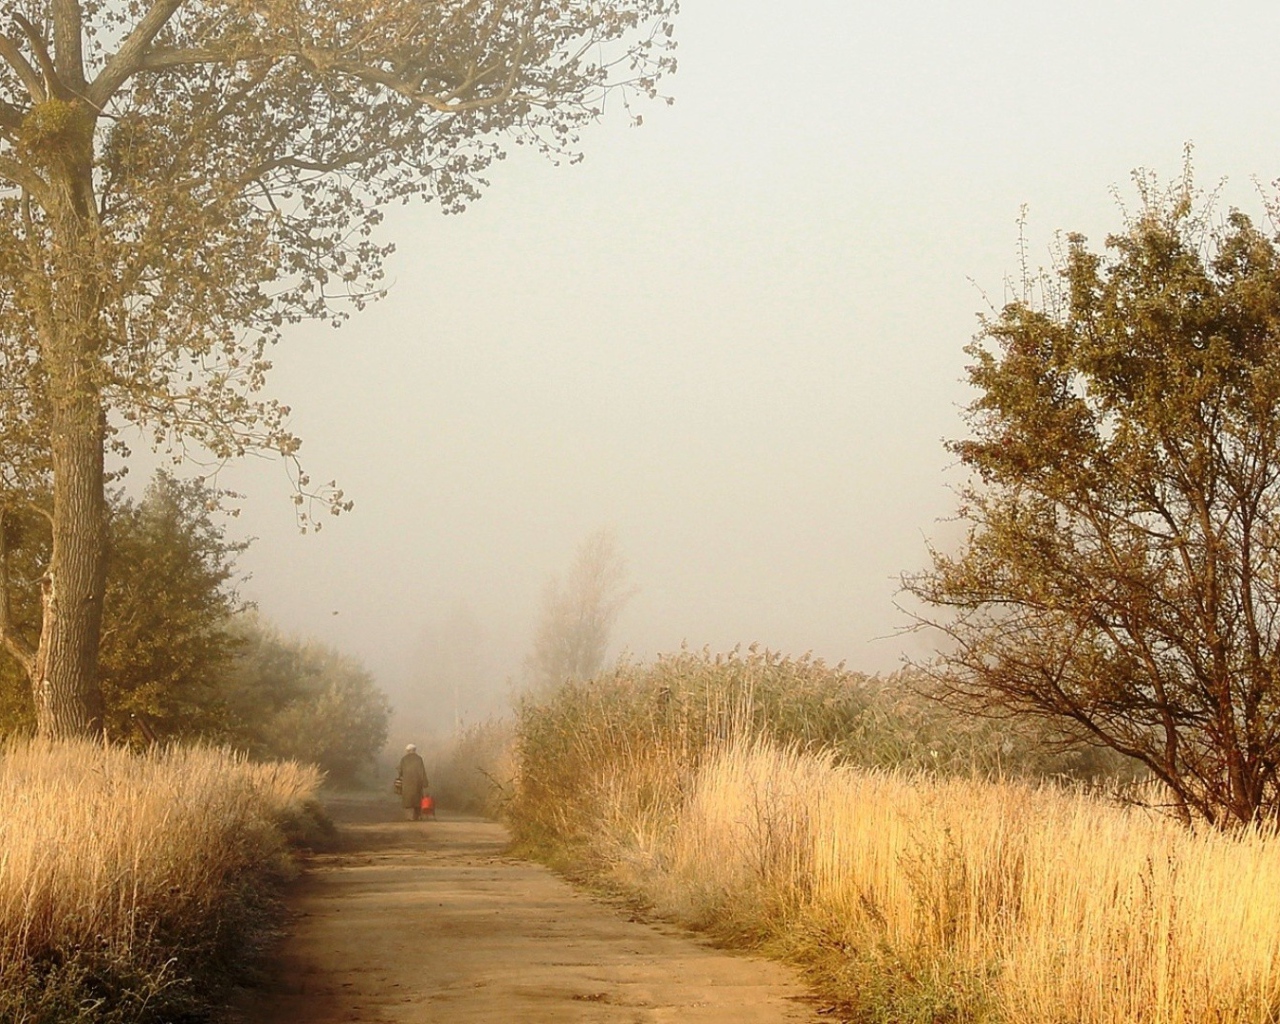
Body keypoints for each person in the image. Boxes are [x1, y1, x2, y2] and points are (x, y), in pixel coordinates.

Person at [397, 743, 429, 821]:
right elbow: (422, 771)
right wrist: (425, 782)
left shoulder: (404, 759)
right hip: (417, 782)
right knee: (417, 799)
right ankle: (417, 816)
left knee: (408, 800)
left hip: (407, 783)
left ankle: (409, 817)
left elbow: (400, 771)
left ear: (408, 750)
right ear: (414, 750)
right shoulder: (419, 759)